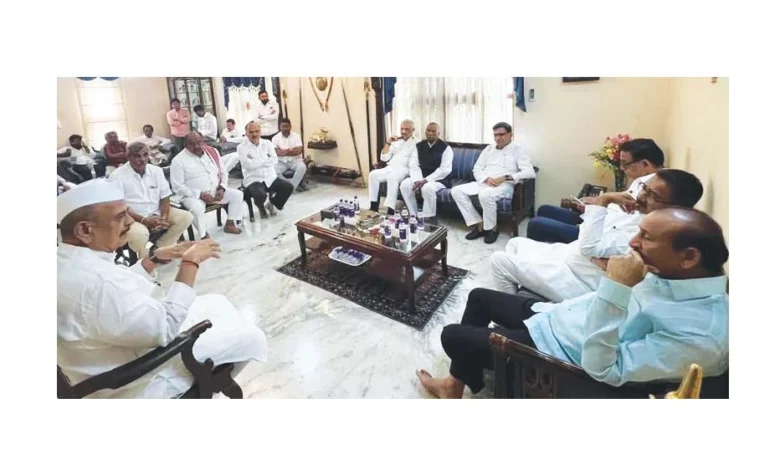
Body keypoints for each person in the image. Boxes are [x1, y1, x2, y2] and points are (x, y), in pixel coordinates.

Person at [417, 207, 729, 398]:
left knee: (452, 336)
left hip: (562, 351)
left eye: (646, 236)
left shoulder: (702, 334)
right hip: (559, 317)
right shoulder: (672, 275)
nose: (633, 242)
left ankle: (457, 383)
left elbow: (603, 369)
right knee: (478, 297)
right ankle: (454, 385)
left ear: (689, 257)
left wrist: (616, 286)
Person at [57, 179, 268, 398]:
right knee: (251, 336)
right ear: (84, 230)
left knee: (217, 301)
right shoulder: (98, 284)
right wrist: (190, 263)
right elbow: (165, 327)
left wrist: (154, 259)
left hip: (111, 351)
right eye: (120, 217)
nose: (130, 222)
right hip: (139, 379)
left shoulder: (66, 260)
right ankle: (208, 387)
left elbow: (116, 282)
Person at [491, 169, 704, 302]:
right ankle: (521, 295)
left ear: (676, 207)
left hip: (581, 281)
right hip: (573, 259)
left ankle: (507, 315)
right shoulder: (638, 210)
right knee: (516, 243)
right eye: (644, 188)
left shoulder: (653, 232)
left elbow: (589, 247)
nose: (640, 196)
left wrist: (604, 200)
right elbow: (593, 240)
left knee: (499, 260)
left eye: (651, 194)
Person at [528, 138, 663, 244]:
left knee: (536, 224)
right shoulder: (642, 181)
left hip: (601, 232)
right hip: (599, 221)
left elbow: (625, 220)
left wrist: (600, 205)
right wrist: (595, 204)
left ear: (645, 164)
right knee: (545, 210)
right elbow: (621, 206)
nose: (622, 168)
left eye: (625, 164)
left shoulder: (654, 189)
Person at [451, 122, 535, 244]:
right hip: (485, 182)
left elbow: (530, 172)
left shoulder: (518, 149)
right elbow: (477, 168)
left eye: (502, 134)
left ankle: (492, 229)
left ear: (510, 134)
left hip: (505, 185)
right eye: (495, 135)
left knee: (485, 195)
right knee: (456, 191)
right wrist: (485, 179)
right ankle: (478, 224)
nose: (498, 138)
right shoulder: (489, 148)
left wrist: (505, 178)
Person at [109, 142, 194, 258]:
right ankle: (144, 261)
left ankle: (159, 249)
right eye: (137, 156)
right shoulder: (117, 176)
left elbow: (165, 196)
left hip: (156, 212)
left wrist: (163, 217)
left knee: (186, 217)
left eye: (145, 155)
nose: (142, 159)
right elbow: (119, 207)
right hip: (132, 218)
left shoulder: (156, 171)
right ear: (128, 157)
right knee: (141, 234)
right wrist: (144, 220)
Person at [170, 132, 244, 237]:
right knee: (196, 208)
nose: (196, 146)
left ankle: (230, 224)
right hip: (192, 197)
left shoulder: (212, 152)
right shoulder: (178, 161)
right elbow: (177, 187)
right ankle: (203, 235)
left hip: (215, 192)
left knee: (237, 195)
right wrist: (200, 194)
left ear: (203, 141)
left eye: (199, 142)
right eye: (192, 144)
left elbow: (224, 172)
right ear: (185, 145)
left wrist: (222, 188)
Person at [398, 122, 452, 222]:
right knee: (405, 185)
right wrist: (417, 180)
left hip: (439, 179)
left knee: (427, 188)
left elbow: (444, 169)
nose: (430, 133)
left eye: (433, 131)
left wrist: (425, 180)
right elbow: (414, 165)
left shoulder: (446, 148)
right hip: (420, 177)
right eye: (428, 130)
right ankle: (414, 215)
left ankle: (429, 218)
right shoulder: (419, 146)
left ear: (439, 133)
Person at [238, 122, 294, 218]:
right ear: (246, 133)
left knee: (288, 187)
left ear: (260, 132)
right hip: (253, 179)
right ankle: (261, 208)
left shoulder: (267, 143)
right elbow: (248, 166)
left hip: (270, 177)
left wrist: (254, 160)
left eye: (257, 131)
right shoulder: (241, 147)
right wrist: (265, 159)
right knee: (260, 195)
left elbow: (274, 160)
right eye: (251, 132)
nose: (254, 134)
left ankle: (272, 203)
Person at [368, 119, 417, 215]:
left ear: (413, 130)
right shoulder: (396, 141)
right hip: (390, 167)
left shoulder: (417, 143)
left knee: (392, 177)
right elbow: (384, 158)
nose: (403, 131)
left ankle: (390, 210)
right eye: (402, 129)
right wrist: (388, 143)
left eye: (407, 129)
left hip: (404, 169)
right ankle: (373, 206)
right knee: (373, 174)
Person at [271, 118, 307, 191]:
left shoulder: (296, 136)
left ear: (290, 126)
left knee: (302, 167)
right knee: (271, 171)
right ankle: (287, 184)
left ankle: (292, 187)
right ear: (280, 127)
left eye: (287, 126)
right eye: (283, 126)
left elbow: (299, 151)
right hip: (281, 162)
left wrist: (282, 151)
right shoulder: (275, 138)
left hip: (295, 161)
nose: (285, 128)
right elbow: (276, 152)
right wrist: (289, 150)